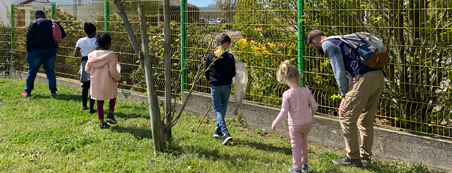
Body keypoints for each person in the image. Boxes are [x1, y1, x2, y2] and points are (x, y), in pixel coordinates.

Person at [307, 30, 385, 167]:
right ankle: (365, 157)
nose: (316, 50)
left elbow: (339, 70)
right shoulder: (341, 40)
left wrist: (344, 95)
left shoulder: (328, 44)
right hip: (378, 77)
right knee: (365, 119)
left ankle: (353, 158)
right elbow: (350, 70)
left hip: (363, 79)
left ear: (314, 42)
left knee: (346, 117)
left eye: (313, 48)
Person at [272, 60, 317, 173]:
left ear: (285, 79)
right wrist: (310, 114)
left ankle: (297, 169)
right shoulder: (306, 91)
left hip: (295, 125)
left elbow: (283, 112)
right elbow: (315, 106)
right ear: (298, 77)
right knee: (303, 143)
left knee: (296, 146)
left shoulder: (287, 94)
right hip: (307, 123)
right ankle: (304, 165)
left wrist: (275, 123)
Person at [23, 10, 66, 97]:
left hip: (36, 51)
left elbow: (29, 38)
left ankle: (28, 92)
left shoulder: (34, 23)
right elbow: (63, 34)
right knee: (50, 71)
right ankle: (53, 91)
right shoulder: (53, 23)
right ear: (44, 16)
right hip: (51, 50)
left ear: (36, 17)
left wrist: (28, 50)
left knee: (32, 71)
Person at [205, 33, 236, 145]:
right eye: (228, 44)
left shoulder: (210, 56)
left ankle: (220, 131)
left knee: (218, 110)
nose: (229, 46)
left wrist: (211, 80)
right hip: (226, 85)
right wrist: (226, 78)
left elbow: (206, 71)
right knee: (222, 108)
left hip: (215, 85)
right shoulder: (230, 57)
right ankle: (224, 132)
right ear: (225, 43)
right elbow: (233, 73)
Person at [85, 33, 121, 129]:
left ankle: (102, 123)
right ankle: (110, 114)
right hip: (109, 82)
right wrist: (119, 78)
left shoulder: (91, 56)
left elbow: (87, 69)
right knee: (112, 97)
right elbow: (113, 70)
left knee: (99, 102)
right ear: (108, 44)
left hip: (96, 83)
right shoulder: (111, 55)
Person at [75, 22, 97, 113]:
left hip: (84, 63)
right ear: (94, 31)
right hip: (94, 64)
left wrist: (82, 52)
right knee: (93, 86)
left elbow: (76, 54)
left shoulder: (80, 41)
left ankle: (84, 106)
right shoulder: (96, 41)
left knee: (85, 86)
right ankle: (91, 108)